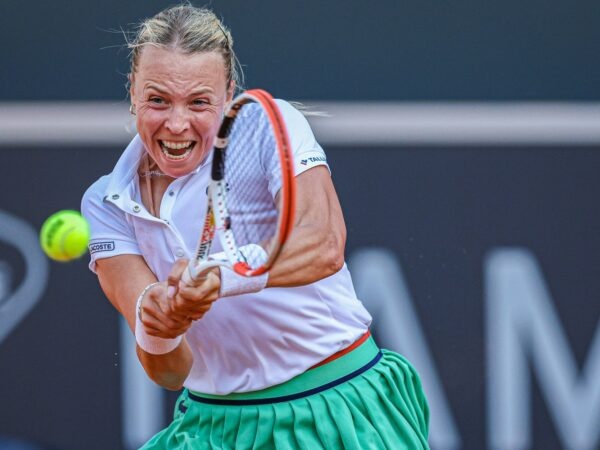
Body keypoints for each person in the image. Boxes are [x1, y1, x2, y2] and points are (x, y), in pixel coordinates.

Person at [82, 5, 429, 449]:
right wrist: (163, 320)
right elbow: (170, 372)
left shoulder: (269, 124)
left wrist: (219, 276)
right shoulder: (104, 202)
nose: (176, 123)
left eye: (199, 102)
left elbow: (323, 244)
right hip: (213, 426)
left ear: (229, 95)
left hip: (334, 407)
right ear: (132, 91)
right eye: (157, 100)